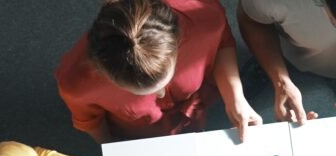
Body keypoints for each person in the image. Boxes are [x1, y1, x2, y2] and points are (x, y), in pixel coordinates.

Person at [55, 0, 261, 143]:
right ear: (102, 73)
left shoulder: (204, 18)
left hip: (196, 110)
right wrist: (114, 149)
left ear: (178, 42)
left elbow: (222, 43)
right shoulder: (76, 84)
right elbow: (92, 122)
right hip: (141, 132)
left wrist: (235, 97)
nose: (161, 95)